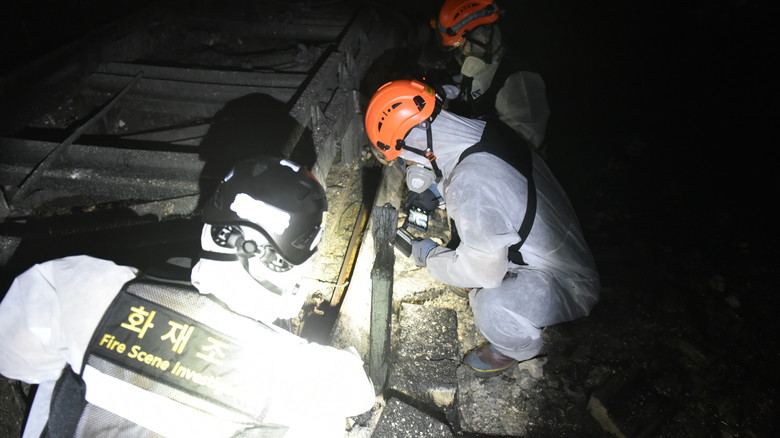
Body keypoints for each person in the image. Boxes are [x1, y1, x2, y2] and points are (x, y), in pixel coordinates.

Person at [0, 156, 375, 437]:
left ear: (211, 225)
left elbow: (11, 355)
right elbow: (358, 395)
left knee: (69, 361)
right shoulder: (296, 371)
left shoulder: (91, 287)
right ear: (291, 259)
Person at [364, 79, 599, 377]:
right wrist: (436, 191)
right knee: (468, 255)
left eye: (403, 156)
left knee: (489, 304)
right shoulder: (482, 129)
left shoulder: (471, 182)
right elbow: (470, 181)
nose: (407, 162)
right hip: (551, 248)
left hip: (569, 284)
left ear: (413, 140)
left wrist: (430, 257)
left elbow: (484, 273)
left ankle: (513, 348)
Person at [429, 0, 551, 153]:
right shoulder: (484, 66)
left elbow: (522, 148)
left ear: (483, 36)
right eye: (457, 48)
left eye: (461, 45)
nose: (462, 53)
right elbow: (470, 91)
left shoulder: (517, 81)